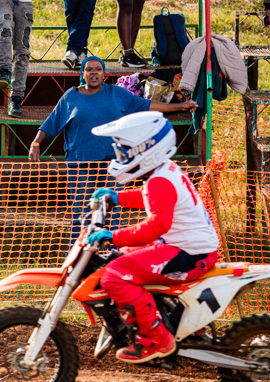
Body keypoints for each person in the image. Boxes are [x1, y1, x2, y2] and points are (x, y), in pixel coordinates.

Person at [86, 111, 219, 363]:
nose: (121, 157)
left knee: (114, 276)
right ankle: (167, 318)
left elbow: (156, 225)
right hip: (186, 247)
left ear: (146, 149)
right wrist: (117, 198)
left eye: (125, 152)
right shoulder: (163, 172)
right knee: (122, 258)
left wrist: (113, 236)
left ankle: (157, 339)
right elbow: (151, 198)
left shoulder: (160, 179)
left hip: (188, 253)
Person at [29, 56, 196, 231]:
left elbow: (146, 105)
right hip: (80, 163)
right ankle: (79, 250)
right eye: (89, 69)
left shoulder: (117, 94)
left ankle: (110, 248)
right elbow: (50, 124)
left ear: (103, 74)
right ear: (82, 74)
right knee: (82, 209)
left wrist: (181, 106)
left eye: (98, 69)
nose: (94, 73)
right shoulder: (71, 97)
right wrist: (36, 143)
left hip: (112, 163)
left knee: (111, 208)